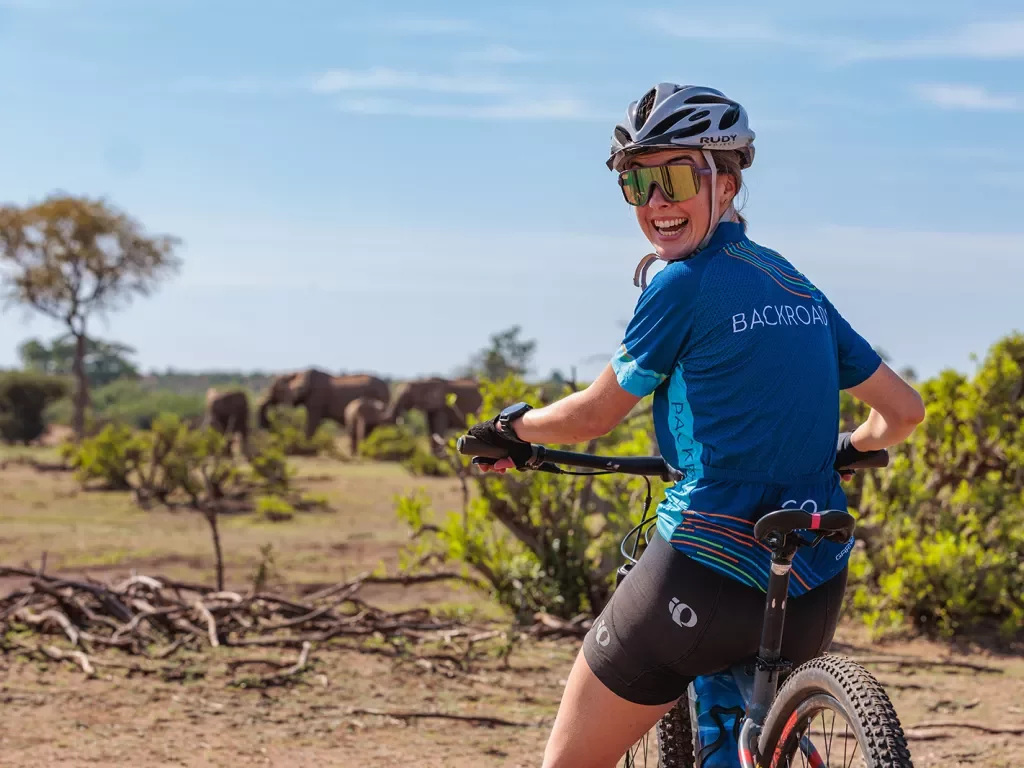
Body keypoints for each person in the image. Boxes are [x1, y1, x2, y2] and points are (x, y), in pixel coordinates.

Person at [464, 83, 925, 768]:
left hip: (701, 571)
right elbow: (903, 413)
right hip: (811, 579)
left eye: (675, 175)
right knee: (743, 731)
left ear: (728, 181)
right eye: (637, 182)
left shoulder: (682, 283)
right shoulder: (797, 284)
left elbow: (594, 416)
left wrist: (514, 427)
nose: (655, 202)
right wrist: (850, 447)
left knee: (566, 760)